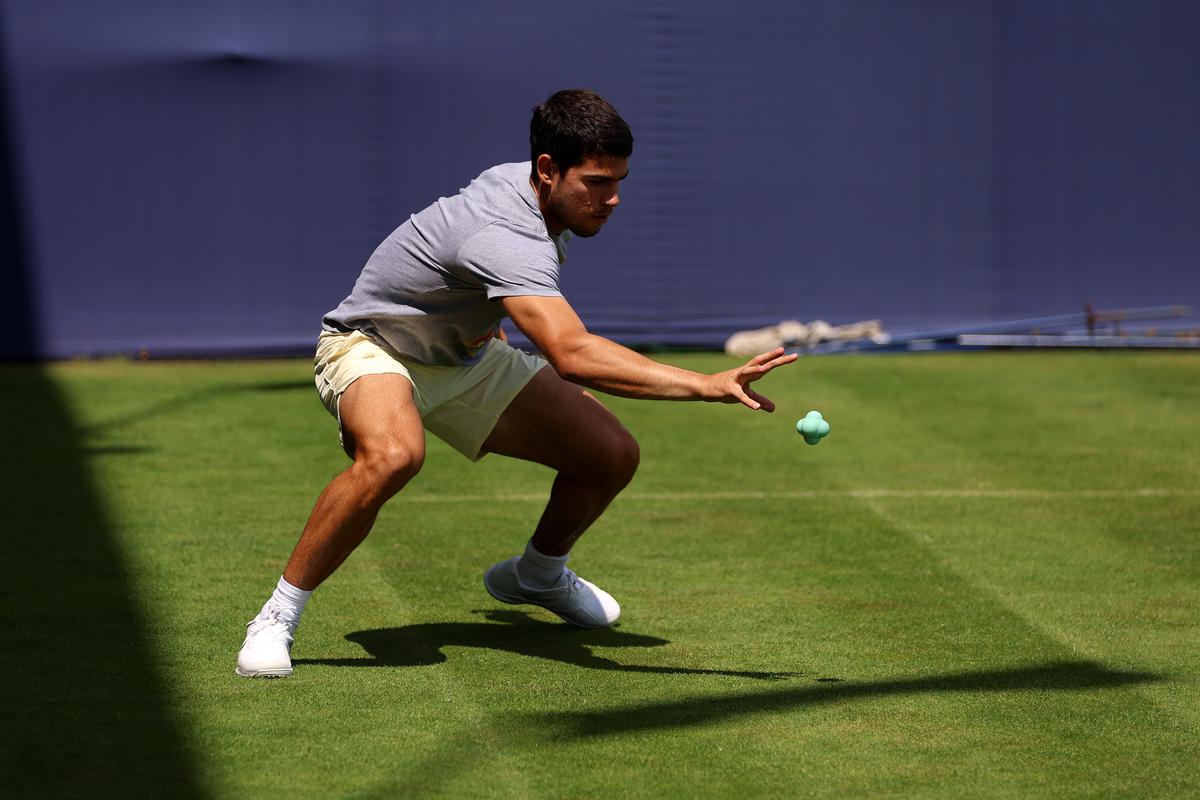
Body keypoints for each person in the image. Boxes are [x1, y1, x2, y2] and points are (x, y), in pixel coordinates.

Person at [236, 88, 796, 678]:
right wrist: (707, 384)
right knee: (394, 455)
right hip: (372, 347)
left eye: (619, 181)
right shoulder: (504, 231)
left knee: (610, 455)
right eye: (598, 183)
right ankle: (277, 616)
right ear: (548, 170)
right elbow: (573, 354)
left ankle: (538, 575)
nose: (613, 199)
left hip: (466, 354)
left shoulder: (531, 188)